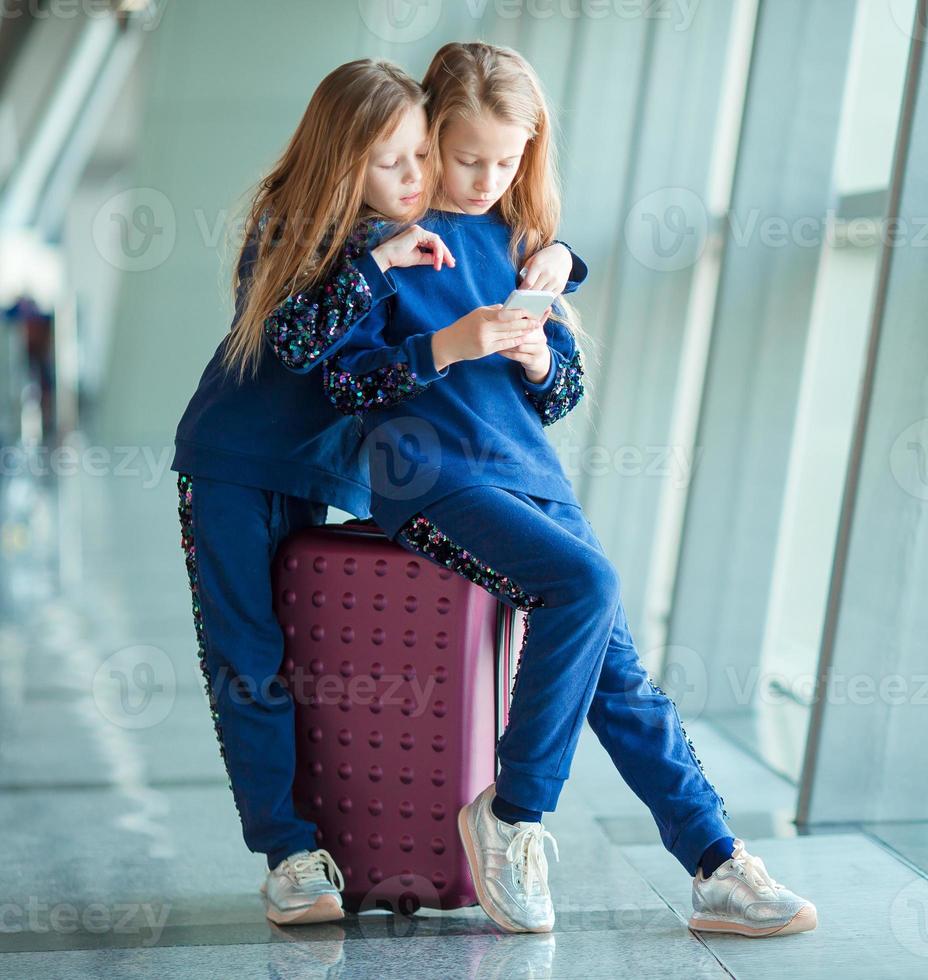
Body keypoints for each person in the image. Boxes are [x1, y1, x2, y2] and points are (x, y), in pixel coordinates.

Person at [320, 41, 817, 938]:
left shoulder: (522, 243)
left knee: (623, 679)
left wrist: (540, 352)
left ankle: (714, 864)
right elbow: (342, 384)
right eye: (468, 158)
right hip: (428, 482)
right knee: (585, 586)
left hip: (528, 476)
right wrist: (451, 344)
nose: (484, 178)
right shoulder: (383, 243)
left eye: (506, 161)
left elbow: (560, 393)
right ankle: (512, 818)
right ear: (427, 133)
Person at [170, 57, 587, 926]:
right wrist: (383, 265)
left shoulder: (403, 240)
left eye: (419, 158)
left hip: (319, 476)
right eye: (394, 163)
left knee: (295, 658)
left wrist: (559, 256)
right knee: (246, 660)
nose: (417, 180)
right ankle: (287, 855)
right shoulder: (294, 227)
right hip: (233, 466)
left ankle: (325, 845)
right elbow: (298, 348)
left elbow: (374, 380)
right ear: (343, 163)